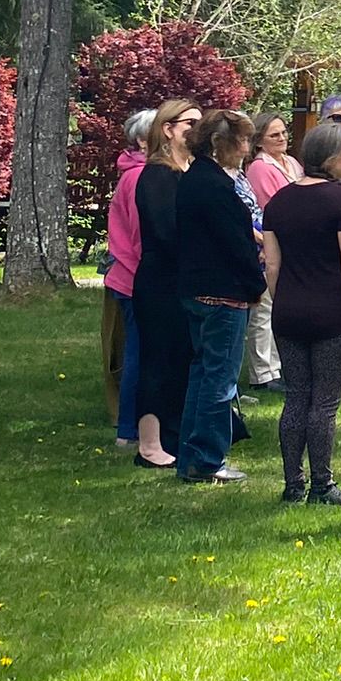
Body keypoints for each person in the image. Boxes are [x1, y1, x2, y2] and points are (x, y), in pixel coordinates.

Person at [261, 122, 341, 505]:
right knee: (324, 403)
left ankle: (293, 483)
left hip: (289, 311)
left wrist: (284, 300)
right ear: (328, 158)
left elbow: (272, 266)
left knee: (296, 398)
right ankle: (322, 485)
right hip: (332, 313)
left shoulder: (279, 201)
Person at [174, 108, 264, 484]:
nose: (246, 148)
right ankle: (208, 459)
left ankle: (190, 456)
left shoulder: (195, 179)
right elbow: (236, 245)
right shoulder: (215, 188)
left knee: (202, 373)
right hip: (222, 294)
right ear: (218, 143)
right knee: (219, 379)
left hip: (197, 290)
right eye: (241, 140)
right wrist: (257, 286)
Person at [131, 98, 201, 466]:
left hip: (187, 281)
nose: (197, 130)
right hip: (160, 282)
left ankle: (175, 436)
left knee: (182, 359)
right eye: (190, 123)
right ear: (168, 129)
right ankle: (149, 446)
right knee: (157, 360)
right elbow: (166, 231)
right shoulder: (157, 175)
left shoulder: (192, 172)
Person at [103, 110, 156, 453]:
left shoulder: (140, 173)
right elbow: (141, 235)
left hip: (133, 276)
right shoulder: (138, 177)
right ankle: (128, 429)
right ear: (142, 141)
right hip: (136, 279)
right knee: (139, 352)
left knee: (141, 351)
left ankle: (132, 428)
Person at [241, 115, 301, 395]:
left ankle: (279, 366)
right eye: (274, 135)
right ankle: (263, 372)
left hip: (293, 243)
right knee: (264, 308)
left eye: (283, 132)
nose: (282, 138)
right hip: (270, 244)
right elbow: (272, 208)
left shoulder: (291, 163)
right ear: (259, 141)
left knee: (280, 307)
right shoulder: (260, 168)